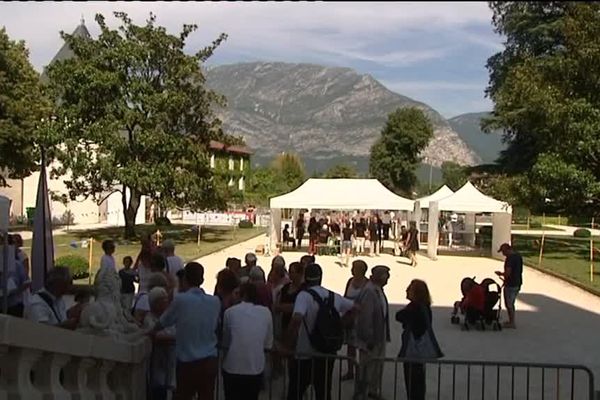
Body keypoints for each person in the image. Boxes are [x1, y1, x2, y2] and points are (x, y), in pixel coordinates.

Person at [285, 263, 356, 400]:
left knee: (295, 391)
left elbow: (296, 319)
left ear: (305, 278)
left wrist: (287, 344)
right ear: (321, 278)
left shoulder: (303, 296)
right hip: (326, 352)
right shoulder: (333, 296)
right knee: (323, 392)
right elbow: (356, 307)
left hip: (304, 352)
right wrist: (341, 324)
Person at [152, 262, 221, 400]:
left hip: (188, 362)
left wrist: (150, 331)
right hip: (209, 360)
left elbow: (163, 322)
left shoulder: (181, 300)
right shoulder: (214, 301)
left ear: (184, 279)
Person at [222, 283, 273, 400]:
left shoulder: (230, 312)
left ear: (241, 294)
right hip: (255, 367)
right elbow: (268, 343)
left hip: (232, 367)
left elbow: (226, 341)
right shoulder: (266, 313)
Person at [396, 280, 443, 400]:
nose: (407, 290)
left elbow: (399, 316)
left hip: (414, 351)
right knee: (417, 383)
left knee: (414, 384)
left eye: (410, 289)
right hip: (417, 352)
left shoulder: (416, 308)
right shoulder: (423, 307)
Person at [355, 265, 391, 399]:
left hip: (379, 337)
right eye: (386, 275)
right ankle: (362, 393)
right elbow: (366, 316)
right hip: (371, 339)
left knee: (376, 367)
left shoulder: (377, 290)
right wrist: (368, 338)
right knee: (367, 368)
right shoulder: (370, 291)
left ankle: (373, 390)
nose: (388, 278)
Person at [146, 287, 176, 400]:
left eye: (166, 300)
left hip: (171, 362)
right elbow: (152, 335)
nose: (166, 303)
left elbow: (175, 333)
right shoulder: (149, 319)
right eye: (162, 301)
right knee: (158, 390)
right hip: (157, 362)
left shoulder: (170, 318)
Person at [341, 260, 369, 380]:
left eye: (354, 268)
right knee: (350, 347)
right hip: (350, 318)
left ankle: (362, 372)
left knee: (362, 348)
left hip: (361, 319)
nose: (351, 270)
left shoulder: (367, 284)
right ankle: (350, 370)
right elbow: (345, 296)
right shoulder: (350, 281)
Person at [495, 243, 523, 329]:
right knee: (512, 302)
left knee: (509, 304)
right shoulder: (518, 256)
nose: (503, 254)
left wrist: (501, 274)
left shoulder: (509, 259)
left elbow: (508, 273)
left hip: (510, 284)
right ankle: (512, 320)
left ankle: (512, 322)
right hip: (518, 282)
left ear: (507, 250)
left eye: (503, 252)